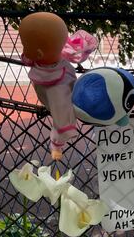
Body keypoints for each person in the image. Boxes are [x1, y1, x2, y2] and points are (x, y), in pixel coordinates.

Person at [19, 12, 97, 160]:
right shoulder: (39, 60)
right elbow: (29, 58)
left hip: (60, 98)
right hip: (49, 94)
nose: (24, 49)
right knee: (58, 110)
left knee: (60, 116)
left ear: (39, 53)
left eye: (25, 45)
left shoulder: (59, 87)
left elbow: (62, 111)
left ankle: (57, 147)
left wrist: (63, 129)